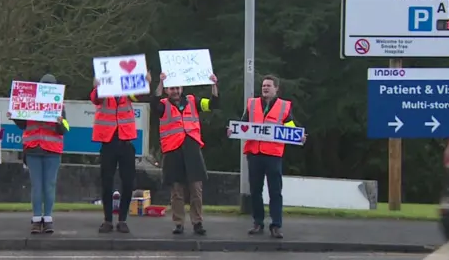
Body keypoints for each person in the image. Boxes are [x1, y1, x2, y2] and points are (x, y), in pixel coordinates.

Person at [231, 74, 307, 239]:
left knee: (275, 191)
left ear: (276, 89)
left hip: (273, 154)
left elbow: (290, 127)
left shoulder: (283, 107)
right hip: (254, 153)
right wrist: (233, 130)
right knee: (255, 191)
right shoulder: (252, 104)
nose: (265, 88)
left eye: (269, 86)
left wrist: (299, 136)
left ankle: (276, 225)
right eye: (264, 85)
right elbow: (244, 124)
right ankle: (258, 223)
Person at [151, 72, 219, 235]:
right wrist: (160, 82)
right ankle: (179, 223)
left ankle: (197, 222)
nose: (175, 91)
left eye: (178, 88)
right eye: (172, 88)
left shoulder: (192, 101)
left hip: (192, 149)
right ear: (167, 90)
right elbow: (153, 104)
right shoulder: (162, 104)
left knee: (196, 189)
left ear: (182, 88)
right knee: (177, 191)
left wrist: (214, 85)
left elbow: (212, 104)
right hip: (173, 150)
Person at [7, 74, 69, 234]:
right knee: (37, 186)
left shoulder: (60, 105)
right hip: (34, 148)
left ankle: (47, 218)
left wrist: (60, 121)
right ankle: (36, 219)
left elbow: (66, 129)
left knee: (49, 185)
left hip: (52, 150)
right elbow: (23, 124)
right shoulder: (30, 103)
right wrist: (14, 116)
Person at [90, 73, 151, 234]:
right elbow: (95, 98)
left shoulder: (127, 94)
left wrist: (145, 82)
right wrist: (97, 85)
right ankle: (108, 220)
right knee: (107, 183)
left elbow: (138, 95)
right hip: (108, 143)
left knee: (128, 183)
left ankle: (122, 220)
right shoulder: (103, 92)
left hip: (126, 143)